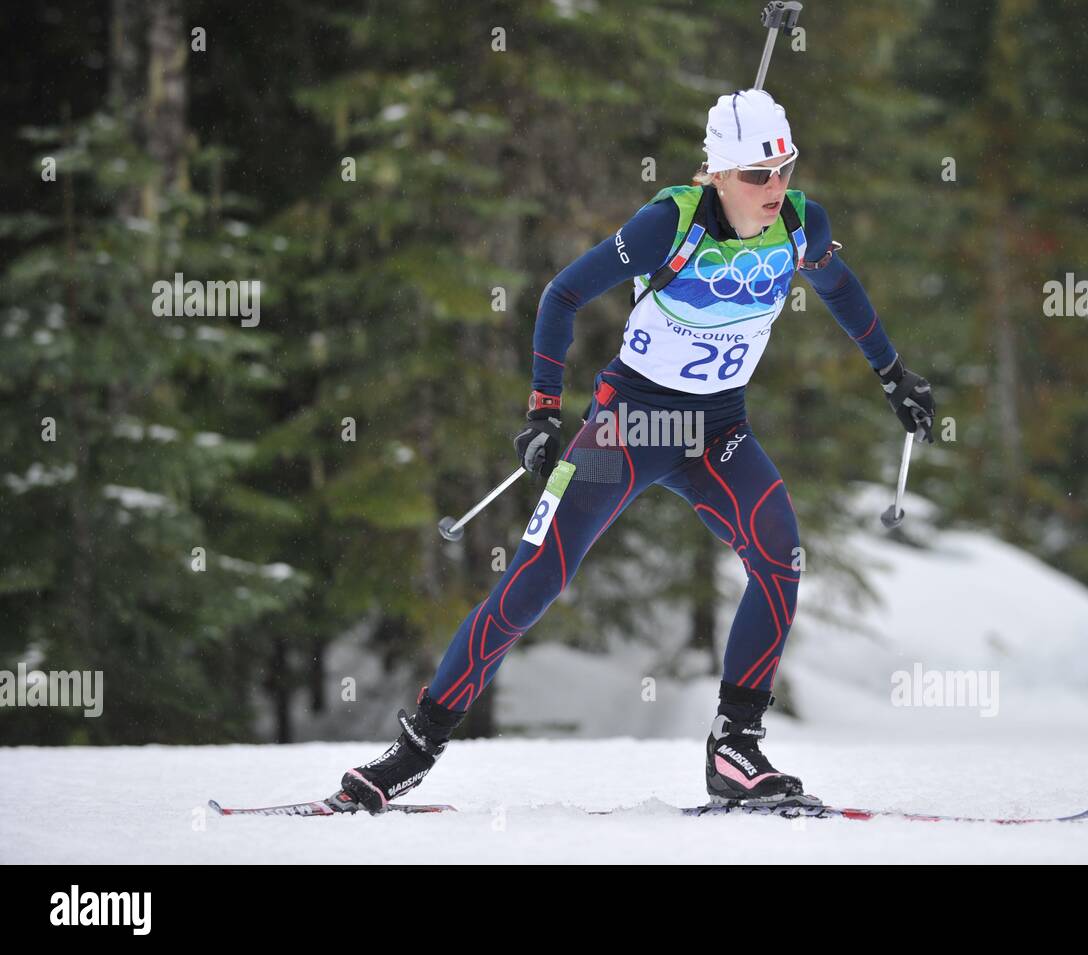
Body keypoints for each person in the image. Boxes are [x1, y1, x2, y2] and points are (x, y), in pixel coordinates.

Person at [340, 89, 936, 813]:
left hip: (718, 428)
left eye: (783, 169)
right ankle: (413, 747)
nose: (774, 188)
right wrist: (541, 412)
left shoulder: (804, 224)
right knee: (534, 581)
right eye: (755, 173)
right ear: (717, 172)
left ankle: (735, 747)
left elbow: (838, 285)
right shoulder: (667, 224)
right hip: (631, 425)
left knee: (779, 551)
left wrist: (892, 373)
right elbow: (562, 295)